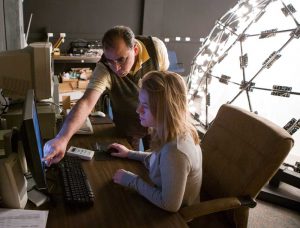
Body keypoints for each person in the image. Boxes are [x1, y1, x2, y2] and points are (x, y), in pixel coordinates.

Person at [43, 26, 169, 165]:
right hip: (128, 126)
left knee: (158, 165)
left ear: (135, 49)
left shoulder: (156, 48)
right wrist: (62, 138)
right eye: (111, 61)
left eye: (121, 60)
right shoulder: (104, 67)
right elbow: (86, 102)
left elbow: (166, 87)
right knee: (131, 165)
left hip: (158, 123)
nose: (116, 68)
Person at [110, 71, 202, 212]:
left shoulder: (175, 151)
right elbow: (159, 161)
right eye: (140, 102)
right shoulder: (170, 129)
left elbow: (170, 205)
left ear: (165, 110)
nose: (137, 110)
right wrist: (129, 153)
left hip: (176, 219)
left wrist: (132, 181)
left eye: (145, 106)